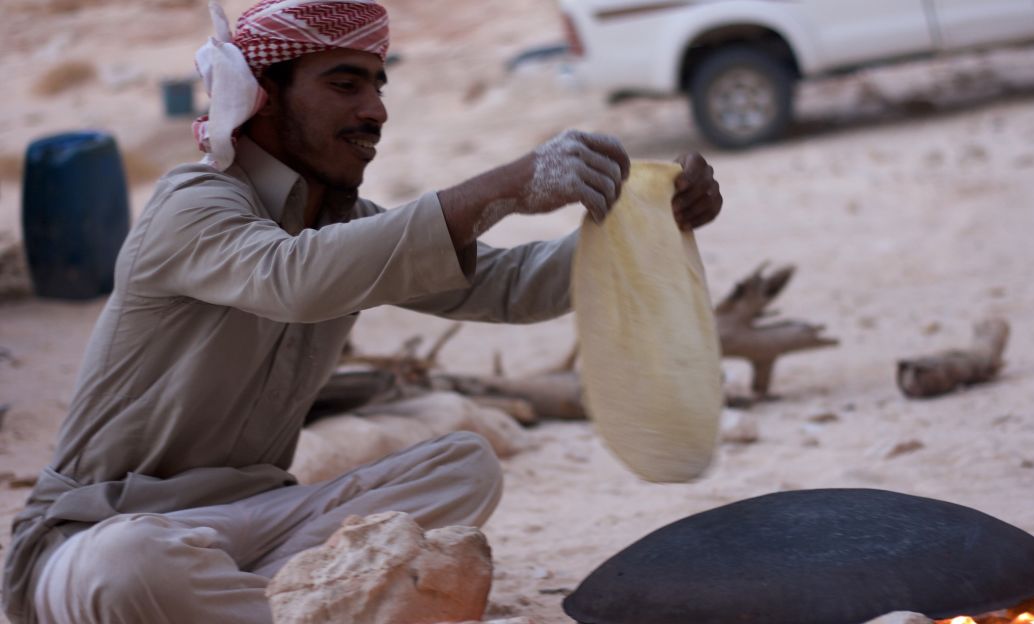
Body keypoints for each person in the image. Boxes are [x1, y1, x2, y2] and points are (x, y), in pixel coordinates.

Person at [2, 1, 723, 622]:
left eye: (377, 85)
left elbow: (507, 286)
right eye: (344, 84)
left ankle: (264, 603)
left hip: (260, 521)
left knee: (464, 466)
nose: (374, 109)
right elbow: (294, 278)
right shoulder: (195, 204)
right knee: (131, 566)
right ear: (261, 95)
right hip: (100, 530)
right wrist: (502, 187)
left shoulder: (343, 224)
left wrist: (655, 227)